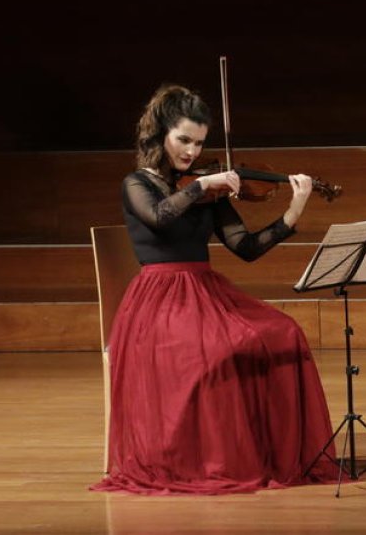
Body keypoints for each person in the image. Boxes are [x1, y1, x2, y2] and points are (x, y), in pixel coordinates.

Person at [93, 84, 336, 495]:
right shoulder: (138, 183)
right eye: (183, 140)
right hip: (159, 299)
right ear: (161, 133)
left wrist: (292, 214)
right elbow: (158, 216)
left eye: (199, 143)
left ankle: (265, 452)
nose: (191, 152)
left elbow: (245, 248)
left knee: (282, 331)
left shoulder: (210, 186)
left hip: (206, 291)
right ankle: (211, 456)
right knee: (217, 350)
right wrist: (200, 188)